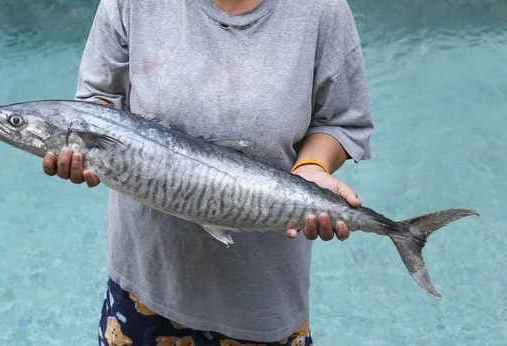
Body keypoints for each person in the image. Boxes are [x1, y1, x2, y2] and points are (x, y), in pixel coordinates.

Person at [43, 0, 374, 344]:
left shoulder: (322, 9)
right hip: (145, 284)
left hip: (261, 297)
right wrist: (82, 146)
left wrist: (311, 166)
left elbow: (339, 120)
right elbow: (99, 98)